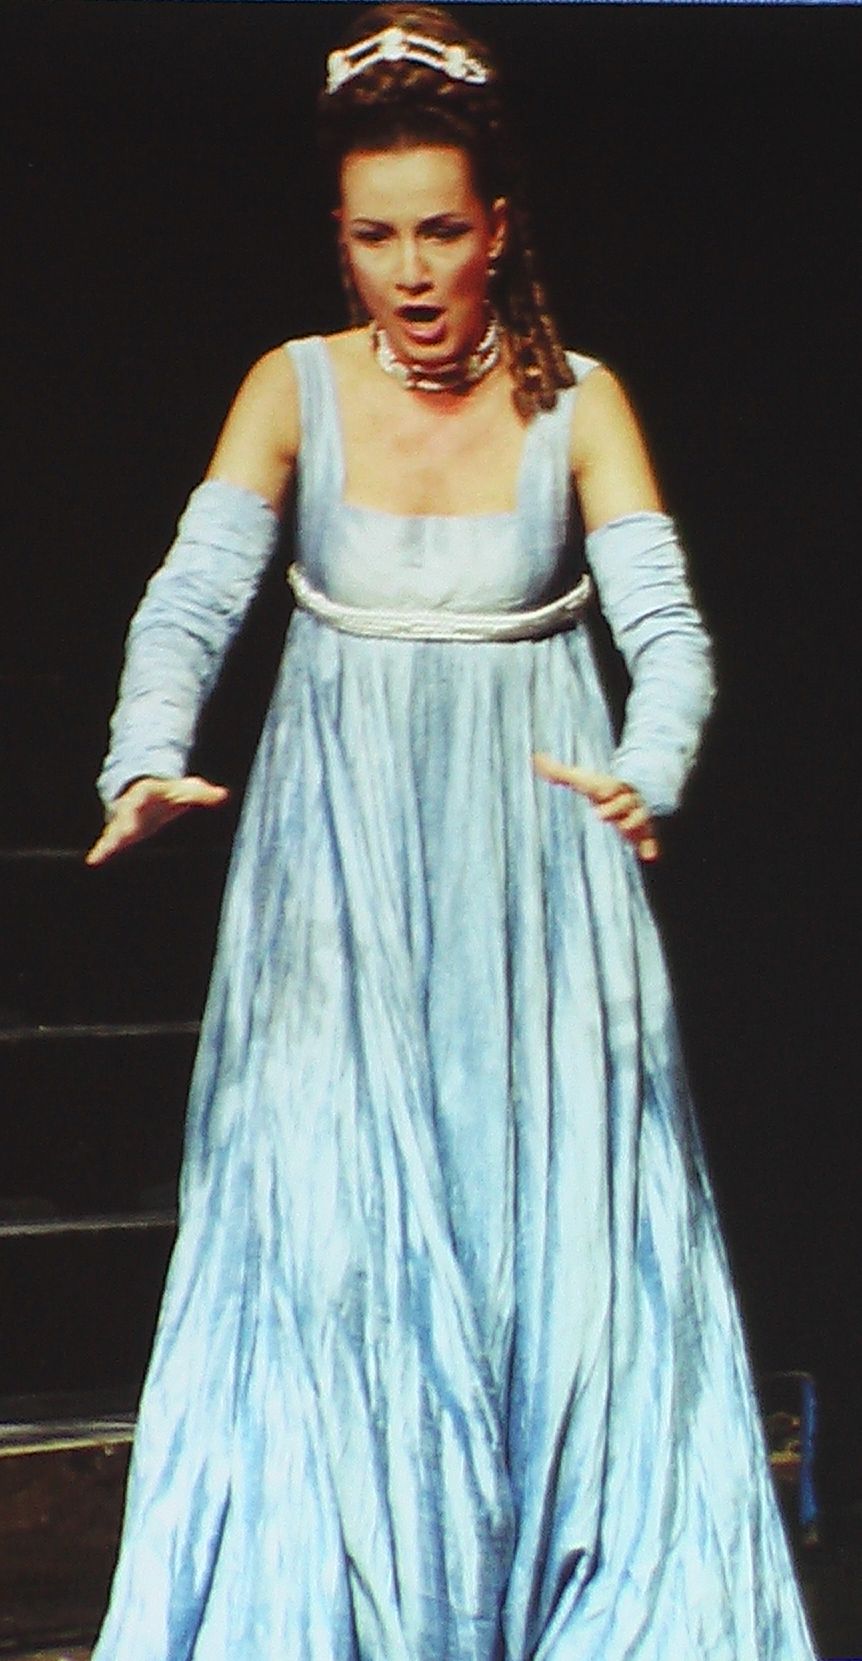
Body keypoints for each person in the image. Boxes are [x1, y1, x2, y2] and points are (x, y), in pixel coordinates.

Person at [85, 7, 816, 1658]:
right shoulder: (291, 386)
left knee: (551, 1253)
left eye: (437, 230)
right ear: (337, 236)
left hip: (536, 878)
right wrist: (144, 757)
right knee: (333, 1247)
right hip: (336, 877)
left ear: (497, 226)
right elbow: (191, 600)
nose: (408, 273)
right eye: (373, 235)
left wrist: (648, 765)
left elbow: (666, 630)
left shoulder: (580, 401)